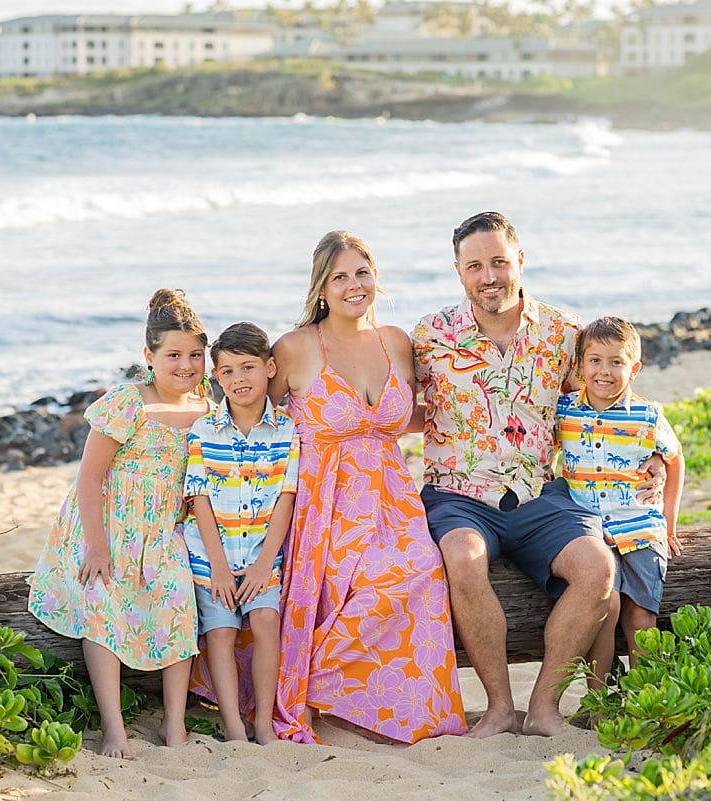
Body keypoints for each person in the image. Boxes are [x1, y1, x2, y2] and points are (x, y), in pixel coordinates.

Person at [413, 211, 665, 737]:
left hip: (541, 494)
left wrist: (656, 457)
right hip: (457, 495)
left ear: (520, 261)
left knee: (598, 569)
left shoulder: (563, 333)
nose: (489, 276)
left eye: (499, 262)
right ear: (458, 271)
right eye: (475, 265)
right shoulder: (430, 337)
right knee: (463, 556)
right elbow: (387, 397)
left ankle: (545, 707)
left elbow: (608, 398)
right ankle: (501, 706)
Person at [269, 230, 466, 744]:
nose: (353, 285)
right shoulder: (293, 349)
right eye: (340, 277)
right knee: (361, 581)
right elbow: (251, 416)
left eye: (362, 272)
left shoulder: (396, 341)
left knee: (421, 570)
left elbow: (429, 412)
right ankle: (316, 688)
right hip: (322, 499)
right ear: (321, 288)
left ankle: (358, 697)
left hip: (393, 496)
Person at [28, 289, 211, 758]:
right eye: (173, 355)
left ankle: (174, 725)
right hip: (106, 527)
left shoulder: (208, 410)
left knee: (179, 609)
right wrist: (97, 547)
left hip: (164, 533)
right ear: (149, 356)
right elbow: (89, 478)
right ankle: (114, 728)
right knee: (102, 607)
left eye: (195, 355)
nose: (186, 366)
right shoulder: (128, 402)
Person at [182, 322, 299, 745]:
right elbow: (199, 501)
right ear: (216, 377)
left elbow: (285, 499)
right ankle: (232, 722)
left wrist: (262, 565)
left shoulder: (287, 430)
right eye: (227, 371)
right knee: (220, 631)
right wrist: (218, 568)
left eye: (247, 367)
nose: (238, 379)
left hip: (262, 556)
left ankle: (264, 721)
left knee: (266, 620)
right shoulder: (204, 431)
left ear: (269, 368)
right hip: (210, 556)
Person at [558, 317, 685, 683]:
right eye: (595, 360)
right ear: (581, 366)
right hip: (589, 531)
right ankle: (600, 697)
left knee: (640, 615)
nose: (605, 371)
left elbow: (675, 459)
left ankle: (644, 694)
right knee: (603, 607)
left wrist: (669, 522)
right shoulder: (565, 411)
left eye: (617, 362)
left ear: (635, 368)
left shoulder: (648, 416)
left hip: (641, 528)